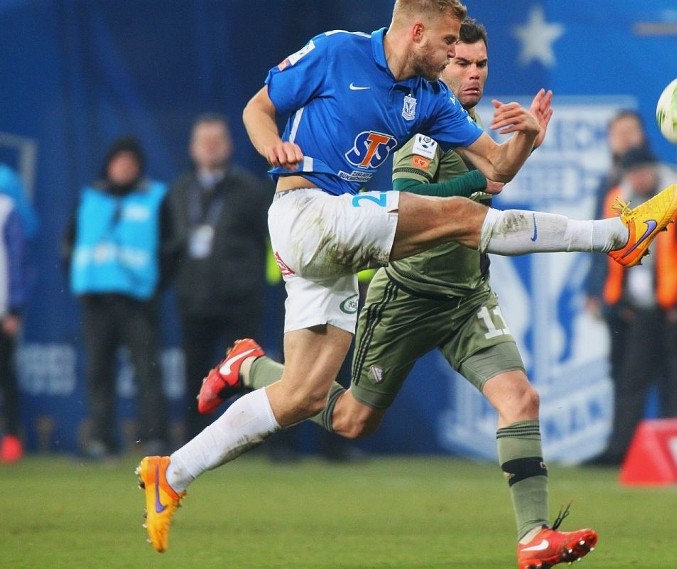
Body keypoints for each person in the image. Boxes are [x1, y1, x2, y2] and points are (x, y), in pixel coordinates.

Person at [136, 0, 677, 561]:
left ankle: (173, 471)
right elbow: (258, 108)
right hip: (305, 212)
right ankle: (619, 236)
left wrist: (527, 139)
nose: (455, 57)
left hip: (341, 243)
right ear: (417, 32)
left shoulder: (428, 97)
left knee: (306, 396)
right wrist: (270, 145)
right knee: (464, 219)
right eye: (449, 45)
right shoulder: (336, 51)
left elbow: (493, 170)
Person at [197, 18, 593, 568]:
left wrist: (525, 138)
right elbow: (407, 192)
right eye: (458, 58)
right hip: (406, 294)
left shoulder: (457, 118)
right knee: (349, 419)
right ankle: (252, 367)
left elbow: (498, 175)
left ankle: (532, 536)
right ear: (430, 48)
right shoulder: (424, 118)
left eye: (480, 63)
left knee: (521, 399)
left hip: (465, 296)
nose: (470, 70)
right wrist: (483, 183)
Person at [588, 145, 677, 466]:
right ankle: (621, 451)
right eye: (633, 173)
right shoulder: (618, 201)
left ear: (655, 170)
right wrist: (619, 301)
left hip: (673, 308)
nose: (639, 178)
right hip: (637, 308)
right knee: (631, 379)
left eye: (644, 171)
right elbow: (610, 254)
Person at [64, 137, 171, 459]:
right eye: (118, 161)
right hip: (97, 302)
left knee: (147, 371)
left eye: (130, 162)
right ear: (109, 165)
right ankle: (100, 440)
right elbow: (70, 243)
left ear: (138, 168)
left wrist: (156, 288)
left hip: (137, 302)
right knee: (98, 372)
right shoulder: (90, 198)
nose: (124, 166)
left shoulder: (155, 198)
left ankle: (153, 440)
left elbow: (170, 248)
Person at [166, 113, 271, 441]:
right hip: (195, 300)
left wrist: (250, 282)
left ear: (229, 146)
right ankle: (193, 443)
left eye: (217, 141)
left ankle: (253, 441)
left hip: (239, 300)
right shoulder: (180, 190)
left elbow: (265, 239)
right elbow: (170, 245)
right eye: (204, 142)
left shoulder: (249, 189)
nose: (210, 148)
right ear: (192, 148)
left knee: (248, 373)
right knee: (194, 376)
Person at [583, 110, 650, 387]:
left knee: (664, 374)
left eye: (630, 131)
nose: (625, 138)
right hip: (616, 297)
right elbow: (597, 239)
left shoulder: (663, 180)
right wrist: (593, 290)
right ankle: (624, 432)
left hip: (655, 298)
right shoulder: (607, 185)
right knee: (622, 375)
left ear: (643, 136)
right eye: (618, 133)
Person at [0, 190, 29, 464]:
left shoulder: (6, 207)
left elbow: (17, 258)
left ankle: (11, 438)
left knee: (6, 377)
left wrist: (14, 307)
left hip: (1, 311)